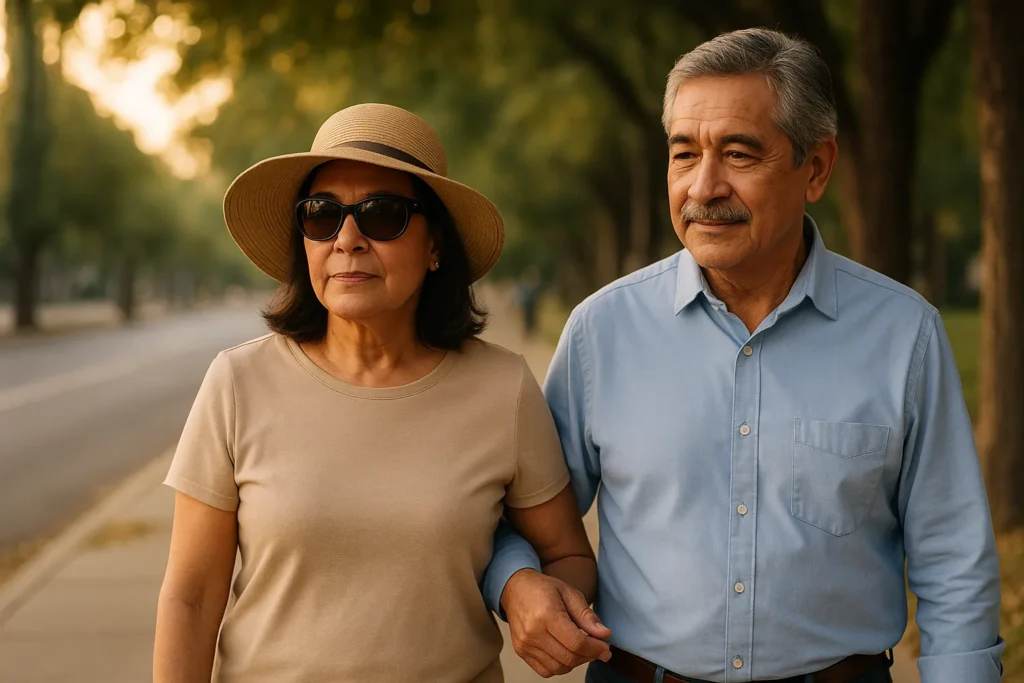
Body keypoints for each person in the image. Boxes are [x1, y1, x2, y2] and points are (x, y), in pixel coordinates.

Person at [484, 28, 1004, 683]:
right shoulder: (601, 332)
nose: (704, 187)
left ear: (816, 168)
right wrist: (516, 582)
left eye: (738, 154)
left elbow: (953, 560)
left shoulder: (904, 334)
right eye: (684, 154)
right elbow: (518, 515)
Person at [153, 103, 606, 683]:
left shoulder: (504, 388)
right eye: (322, 215)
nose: (347, 239)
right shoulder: (237, 383)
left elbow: (569, 556)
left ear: (435, 246)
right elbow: (190, 597)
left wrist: (535, 596)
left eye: (382, 214)